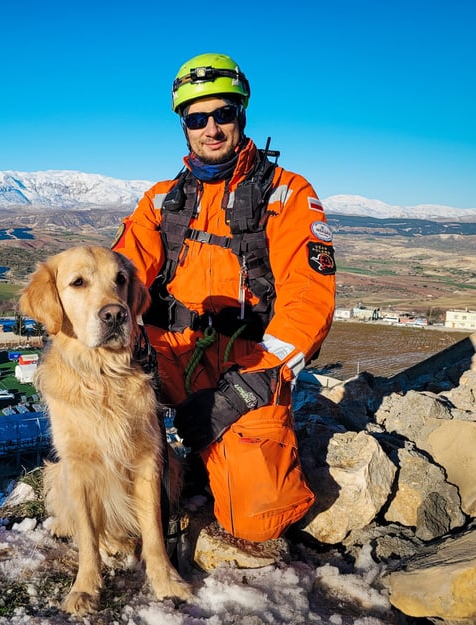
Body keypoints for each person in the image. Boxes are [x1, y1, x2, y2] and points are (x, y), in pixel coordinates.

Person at [112, 52, 336, 542]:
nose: (211, 128)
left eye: (223, 114)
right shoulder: (159, 201)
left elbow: (308, 299)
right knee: (116, 495)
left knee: (258, 520)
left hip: (246, 367)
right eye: (197, 118)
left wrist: (244, 390)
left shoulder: (288, 195)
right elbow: (121, 277)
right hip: (169, 359)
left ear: (242, 115)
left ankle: (217, 451)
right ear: (184, 126)